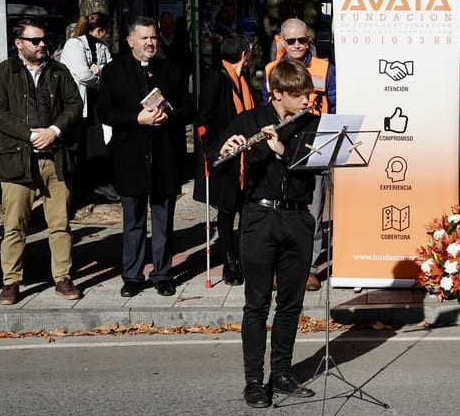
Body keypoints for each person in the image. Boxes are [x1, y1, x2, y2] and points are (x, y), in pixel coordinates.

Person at [217, 60, 321, 408]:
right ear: (277, 94)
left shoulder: (313, 125)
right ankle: (252, 381)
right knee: (257, 303)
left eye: (307, 92)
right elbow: (222, 171)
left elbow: (313, 170)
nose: (306, 99)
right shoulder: (249, 121)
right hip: (259, 217)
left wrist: (281, 151)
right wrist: (227, 154)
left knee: (291, 304)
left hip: (298, 218)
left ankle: (282, 373)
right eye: (298, 94)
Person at [0, 17, 85, 305]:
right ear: (19, 43)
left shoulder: (58, 71)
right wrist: (30, 135)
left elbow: (74, 105)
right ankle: (11, 282)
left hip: (55, 159)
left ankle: (63, 278)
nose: (42, 45)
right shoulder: (2, 73)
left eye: (44, 40)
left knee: (60, 223)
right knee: (14, 225)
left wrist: (53, 131)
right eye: (35, 40)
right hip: (17, 161)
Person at [97, 16, 195, 298]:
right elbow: (104, 111)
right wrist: (136, 118)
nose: (151, 42)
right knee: (133, 220)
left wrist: (169, 113)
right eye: (145, 38)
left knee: (164, 219)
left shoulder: (172, 70)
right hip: (130, 154)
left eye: (153, 37)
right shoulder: (114, 71)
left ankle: (162, 273)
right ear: (130, 41)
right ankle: (132, 274)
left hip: (165, 155)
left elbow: (188, 109)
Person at [263, 18, 336, 292]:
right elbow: (266, 110)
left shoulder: (325, 69)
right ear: (281, 41)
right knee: (280, 212)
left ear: (309, 40)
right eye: (290, 40)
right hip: (280, 147)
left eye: (301, 40)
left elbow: (335, 104)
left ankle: (309, 269)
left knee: (313, 212)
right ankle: (279, 267)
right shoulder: (271, 70)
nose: (296, 45)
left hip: (314, 146)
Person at [195, 32, 256, 286]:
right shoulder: (216, 79)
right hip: (225, 157)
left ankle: (244, 258)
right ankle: (229, 262)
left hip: (246, 157)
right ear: (244, 55)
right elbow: (204, 117)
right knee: (227, 210)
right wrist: (214, 152)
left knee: (246, 209)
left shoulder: (244, 81)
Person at [57, 11, 116, 204]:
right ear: (100, 30)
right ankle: (83, 188)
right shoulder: (74, 45)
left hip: (96, 101)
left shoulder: (101, 45)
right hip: (81, 102)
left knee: (99, 142)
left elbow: (109, 68)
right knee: (81, 145)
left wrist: (98, 71)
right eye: (105, 31)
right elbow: (82, 74)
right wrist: (101, 78)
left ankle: (100, 185)